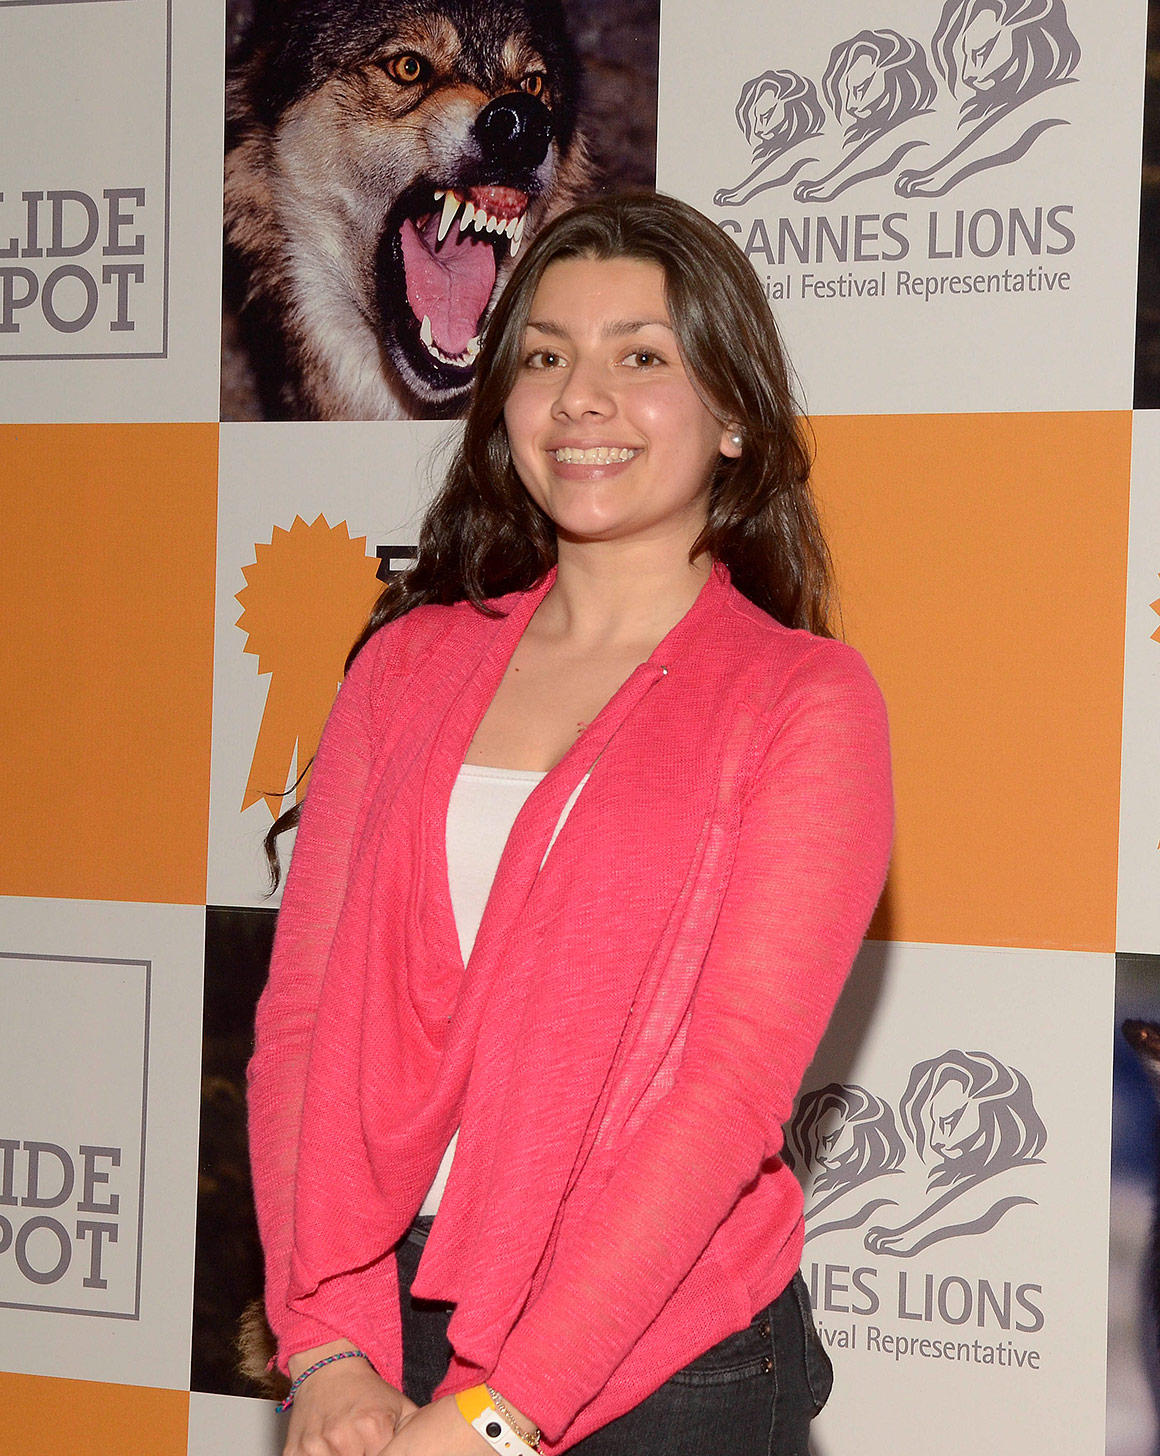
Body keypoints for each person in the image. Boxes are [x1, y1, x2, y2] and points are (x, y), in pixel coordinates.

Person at [247, 191, 894, 1456]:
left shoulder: (803, 701)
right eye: (544, 356)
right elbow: (303, 1022)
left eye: (640, 357)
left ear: (734, 415)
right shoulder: (405, 667)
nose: (581, 398)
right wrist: (323, 1341)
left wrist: (505, 1411)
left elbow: (726, 1092)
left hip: (663, 1354)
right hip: (380, 1315)